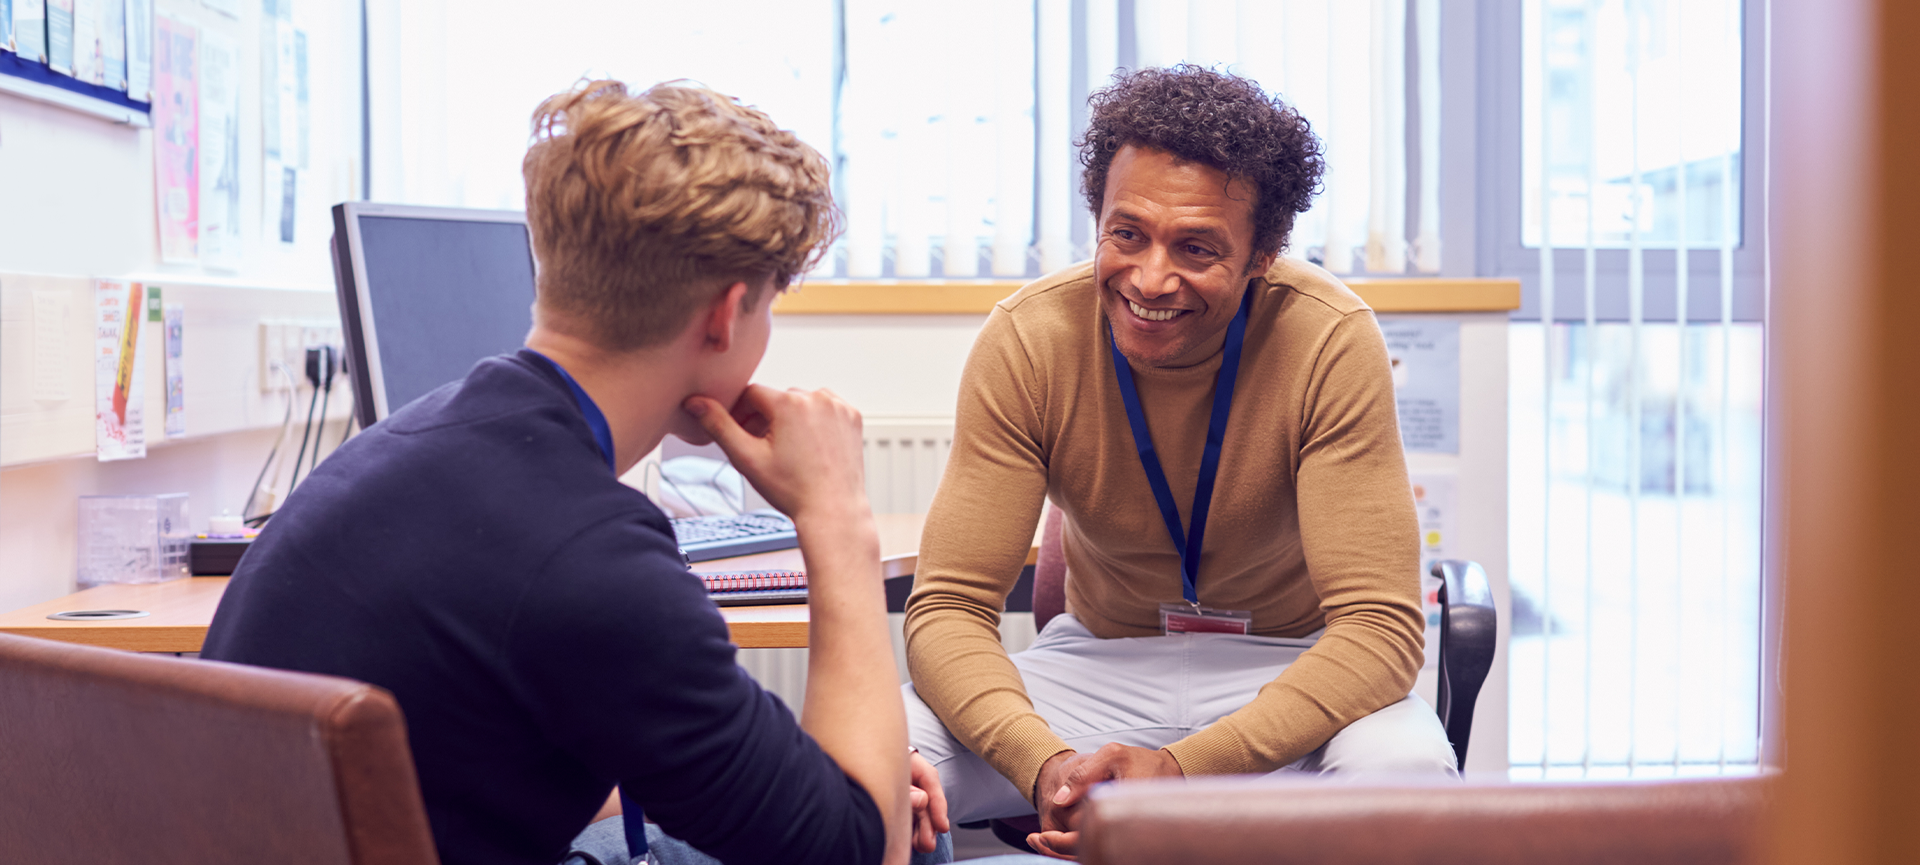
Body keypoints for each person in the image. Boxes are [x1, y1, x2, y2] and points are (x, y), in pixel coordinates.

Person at [203, 80, 1037, 865]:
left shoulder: (411, 446)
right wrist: (837, 517)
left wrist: (829, 776)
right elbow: (857, 851)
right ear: (725, 314)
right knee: (915, 837)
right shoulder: (589, 555)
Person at [903, 66, 1459, 860]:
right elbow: (949, 608)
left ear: (1263, 252)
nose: (1151, 278)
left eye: (1196, 247)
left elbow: (1379, 630)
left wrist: (1185, 768)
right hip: (1096, 669)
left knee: (1408, 778)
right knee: (872, 759)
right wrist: (1046, 763)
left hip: (1289, 669)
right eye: (1126, 233)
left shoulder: (1329, 339)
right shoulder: (1030, 339)